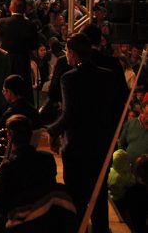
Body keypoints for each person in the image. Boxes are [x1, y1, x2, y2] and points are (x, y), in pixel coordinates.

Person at [48, 33, 119, 233]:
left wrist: (52, 131)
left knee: (76, 197)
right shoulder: (108, 76)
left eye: (67, 51)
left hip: (77, 146)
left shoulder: (69, 78)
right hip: (101, 146)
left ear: (72, 53)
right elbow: (114, 112)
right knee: (99, 195)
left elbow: (69, 114)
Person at [0, 115, 76, 231]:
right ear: (31, 134)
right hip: (47, 218)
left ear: (9, 135)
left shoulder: (8, 167)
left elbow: (1, 204)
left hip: (23, 223)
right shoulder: (47, 159)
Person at [0, 0, 37, 84]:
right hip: (23, 63)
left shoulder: (1, 23)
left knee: (7, 87)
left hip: (6, 61)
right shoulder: (31, 25)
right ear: (25, 9)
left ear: (11, 7)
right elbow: (33, 46)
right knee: (23, 88)